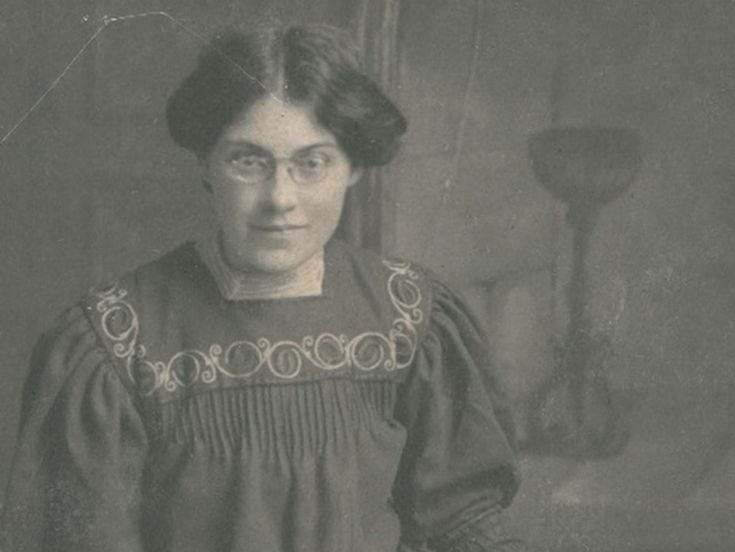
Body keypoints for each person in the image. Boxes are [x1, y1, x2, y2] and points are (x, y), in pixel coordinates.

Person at [1, 23, 527, 552]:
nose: (280, 198)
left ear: (353, 167)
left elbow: (465, 520)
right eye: (248, 161)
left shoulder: (408, 315)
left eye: (312, 163)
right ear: (205, 161)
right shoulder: (116, 342)